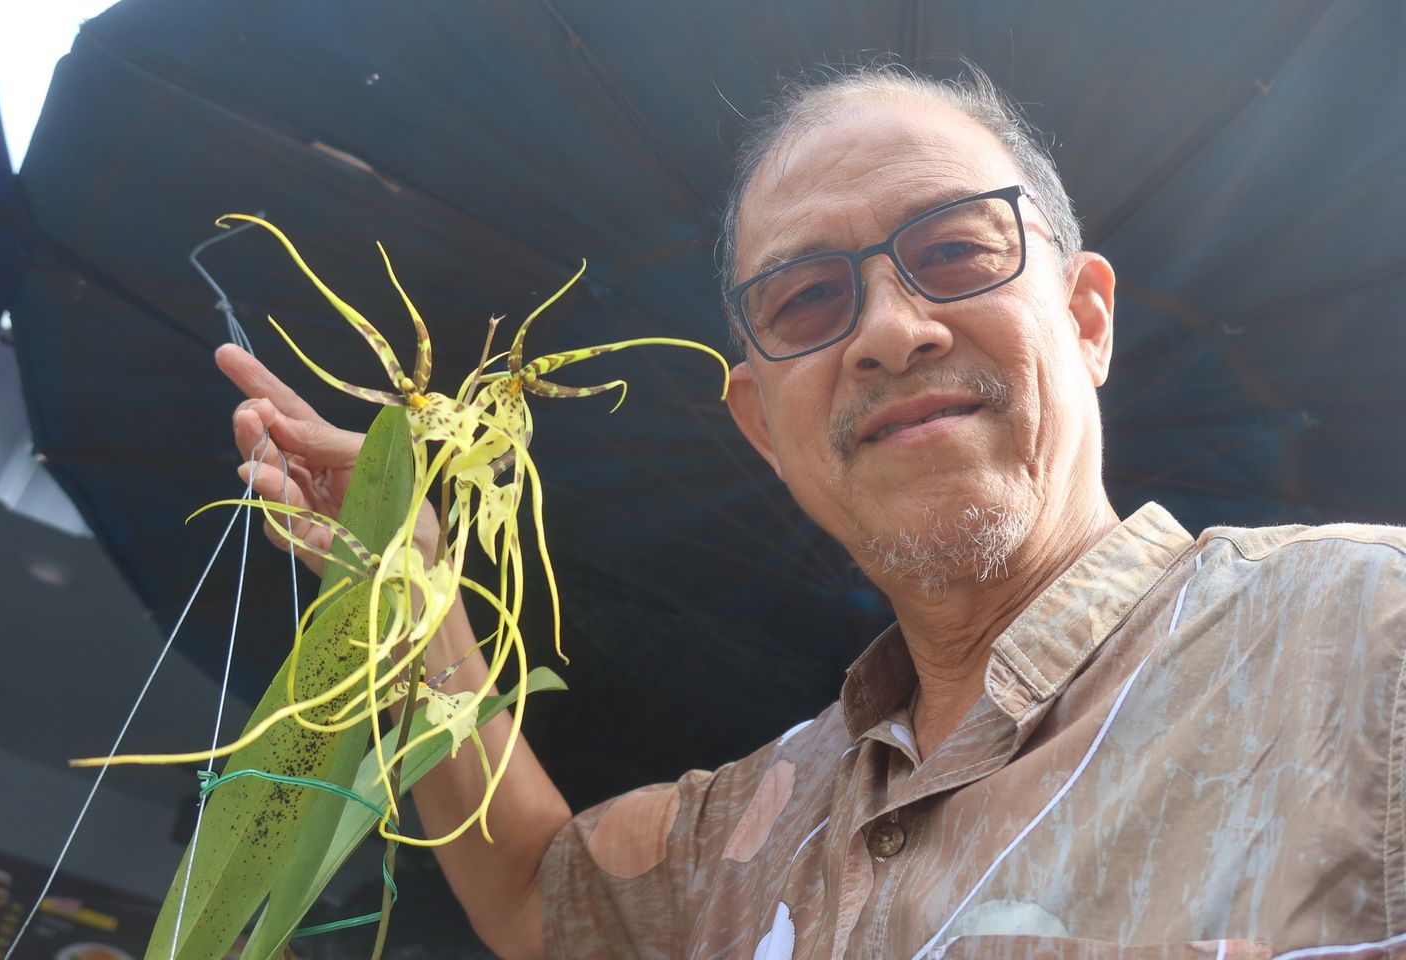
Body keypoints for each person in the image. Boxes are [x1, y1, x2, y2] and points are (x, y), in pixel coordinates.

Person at [217, 63, 1406, 960]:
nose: (891, 330)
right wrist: (410, 588)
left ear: (1087, 319)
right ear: (761, 425)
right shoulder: (757, 824)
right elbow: (535, 895)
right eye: (805, 300)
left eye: (957, 250)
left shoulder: (1365, 634)